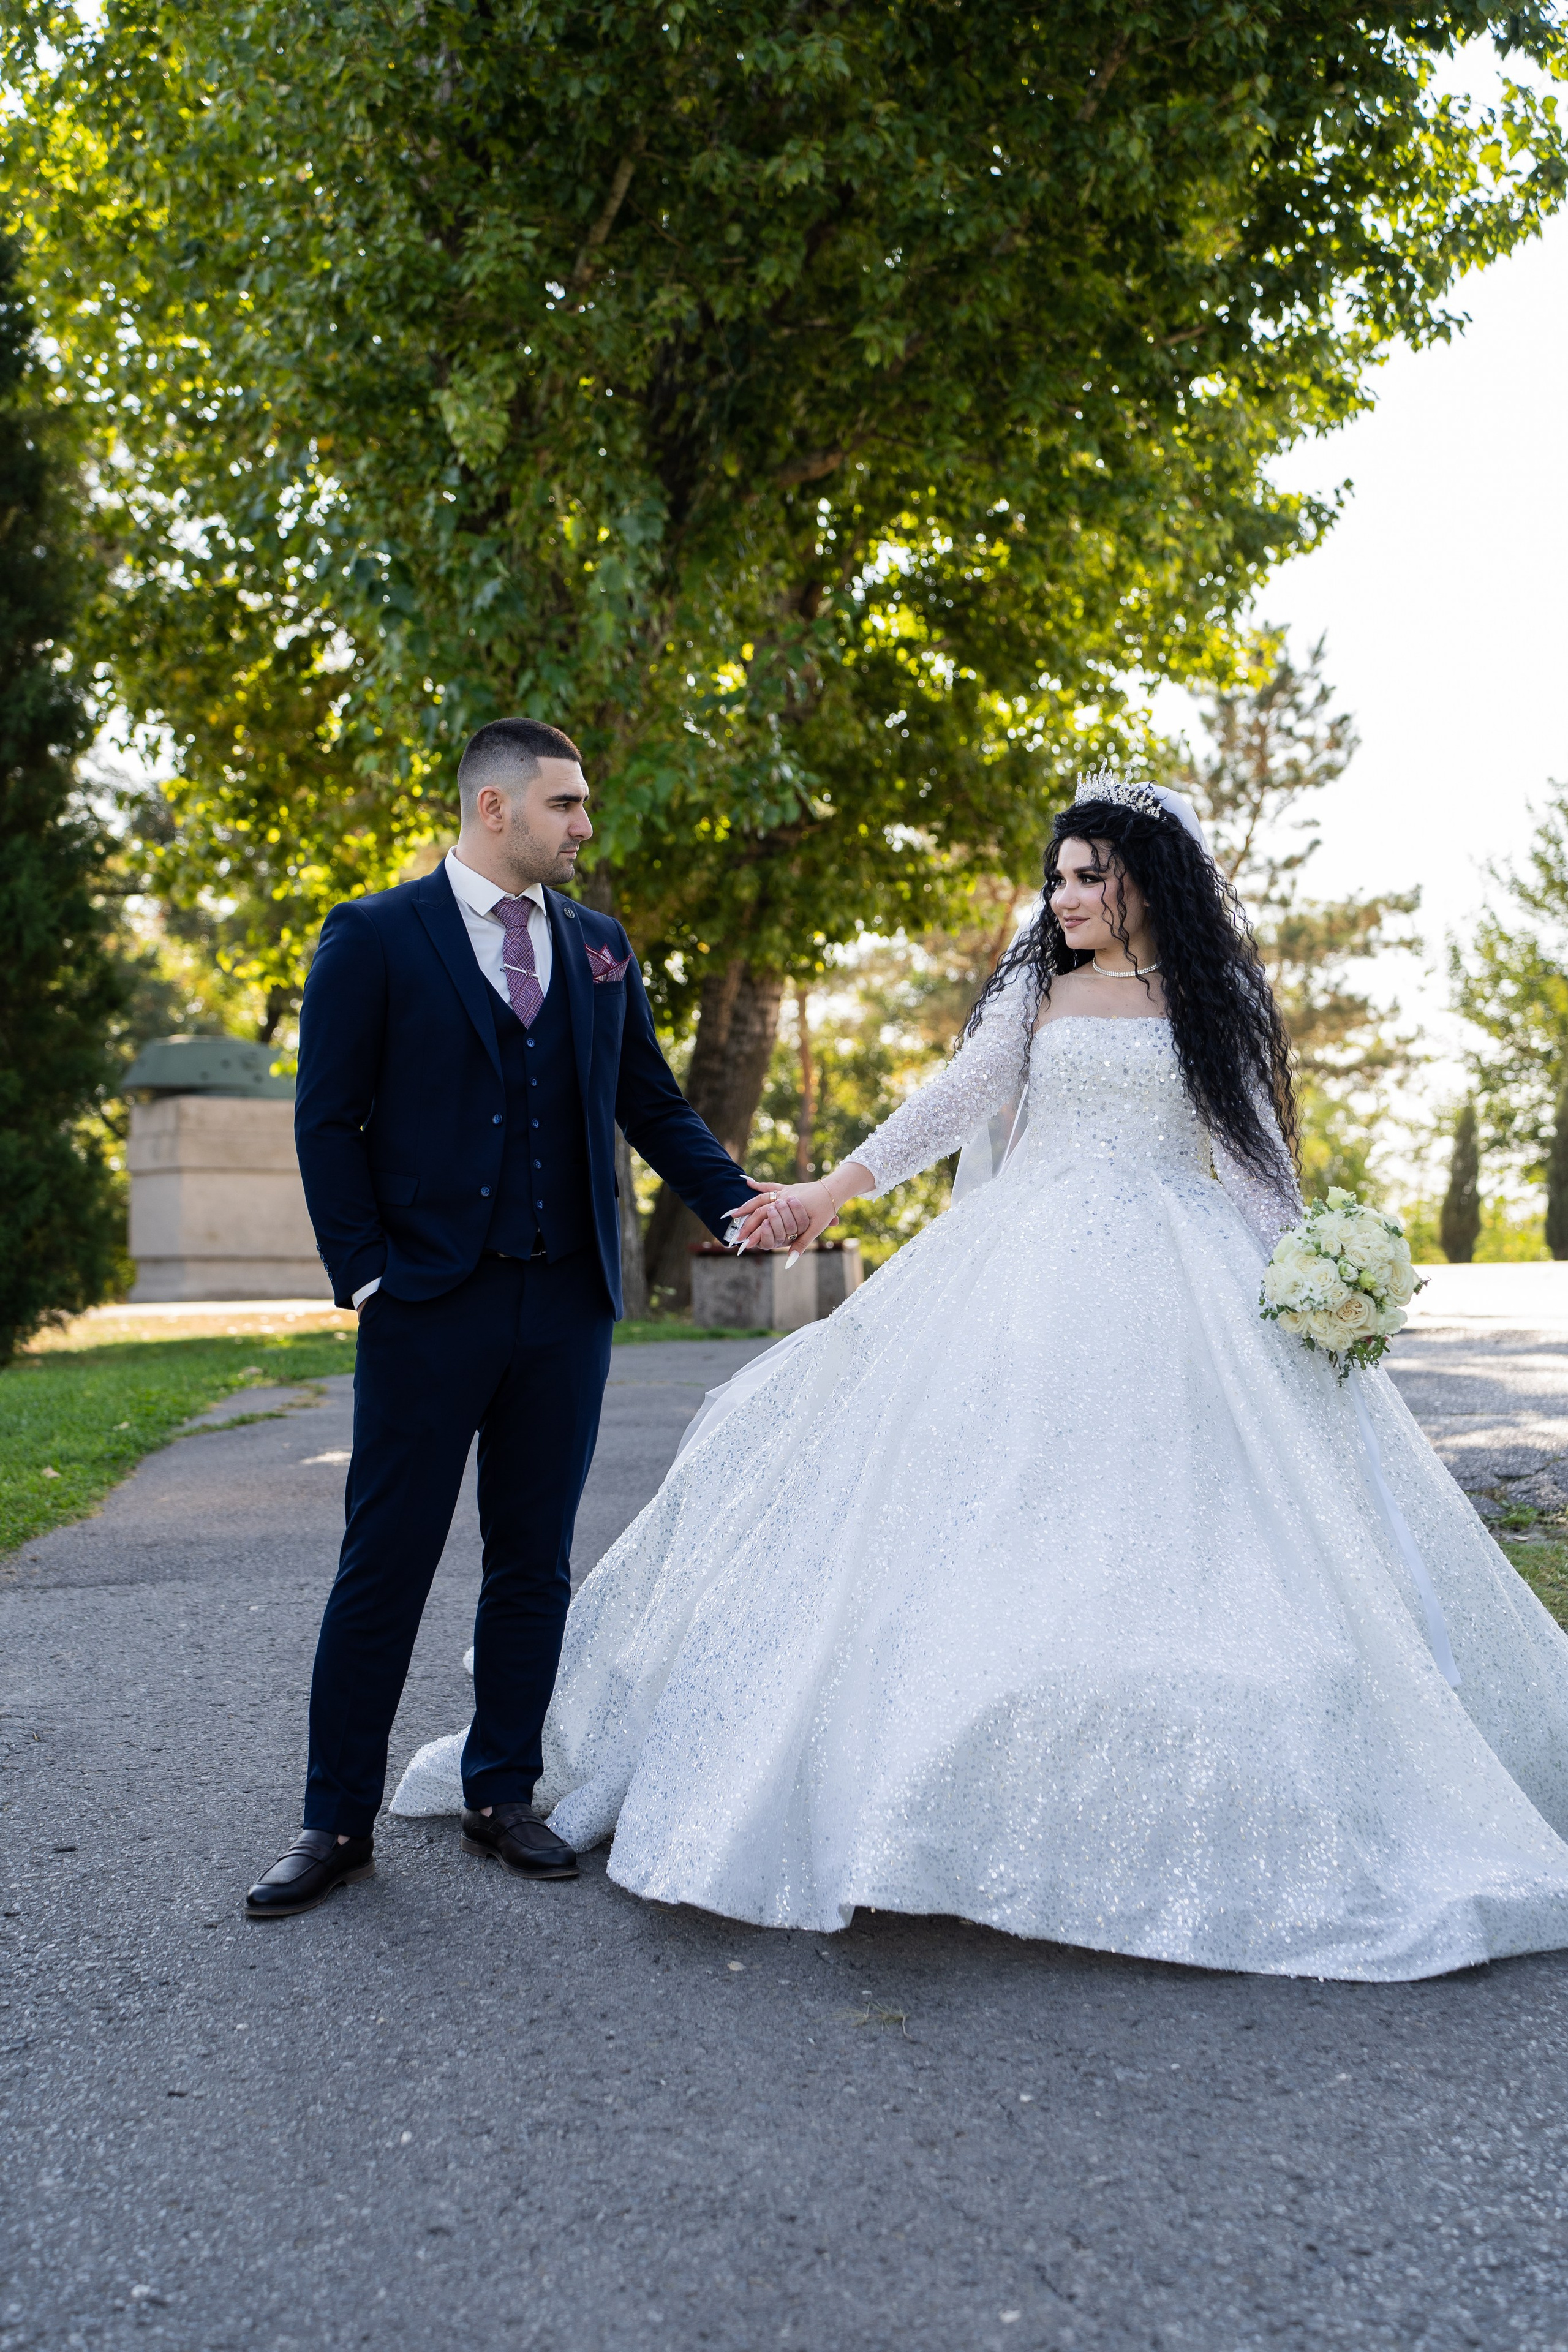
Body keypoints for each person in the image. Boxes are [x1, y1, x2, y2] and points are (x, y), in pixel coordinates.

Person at [393, 772, 1568, 1981]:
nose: (1060, 898)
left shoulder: (1206, 1000)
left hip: (1177, 1275)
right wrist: (824, 1192)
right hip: (1020, 1267)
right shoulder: (1038, 992)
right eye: (1053, 877)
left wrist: (1316, 1274)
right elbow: (954, 1101)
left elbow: (1254, 1160)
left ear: (1147, 883)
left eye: (1086, 877)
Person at [244, 718, 800, 1919]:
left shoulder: (598, 948)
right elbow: (326, 1119)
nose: (584, 826)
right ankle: (332, 1820)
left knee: (531, 1563)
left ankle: (503, 1791)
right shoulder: (375, 936)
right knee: (382, 1567)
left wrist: (736, 1203)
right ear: (493, 810)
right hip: (426, 1304)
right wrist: (369, 1275)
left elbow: (646, 1100)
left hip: (566, 1307)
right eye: (565, 805)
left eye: (583, 804)